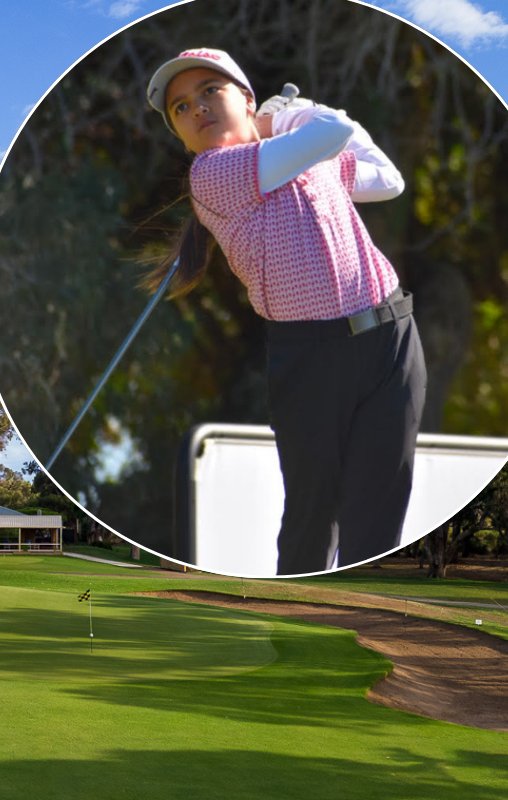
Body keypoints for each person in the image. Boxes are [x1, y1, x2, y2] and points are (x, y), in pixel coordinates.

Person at [145, 48, 427, 575]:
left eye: (210, 90)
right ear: (181, 137)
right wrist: (288, 115)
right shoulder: (211, 175)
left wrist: (290, 122)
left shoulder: (302, 157)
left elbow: (387, 179)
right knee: (312, 518)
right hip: (311, 359)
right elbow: (330, 129)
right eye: (181, 108)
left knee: (379, 513)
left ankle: (367, 628)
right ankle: (301, 628)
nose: (197, 108)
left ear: (245, 98)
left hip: (392, 337)